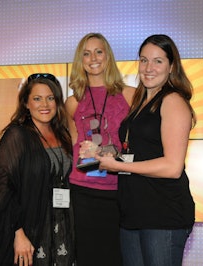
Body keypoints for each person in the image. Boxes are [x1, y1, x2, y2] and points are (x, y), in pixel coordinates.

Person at [96, 34, 196, 266]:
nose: (149, 68)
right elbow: (142, 152)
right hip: (133, 214)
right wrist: (107, 155)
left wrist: (118, 165)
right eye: (143, 60)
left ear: (171, 67)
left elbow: (172, 167)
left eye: (158, 61)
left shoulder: (172, 101)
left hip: (163, 214)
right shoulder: (140, 103)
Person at [0, 73, 75, 266]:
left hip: (63, 226)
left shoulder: (63, 134)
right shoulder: (16, 135)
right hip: (29, 227)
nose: (45, 104)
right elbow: (2, 189)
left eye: (50, 98)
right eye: (37, 98)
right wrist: (18, 233)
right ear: (26, 103)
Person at [65, 33, 135, 266]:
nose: (92, 58)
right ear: (80, 60)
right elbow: (73, 148)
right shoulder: (73, 101)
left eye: (98, 51)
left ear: (108, 56)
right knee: (86, 258)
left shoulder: (129, 95)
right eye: (86, 53)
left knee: (117, 258)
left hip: (117, 190)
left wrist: (109, 152)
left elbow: (139, 148)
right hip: (82, 191)